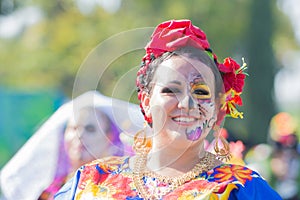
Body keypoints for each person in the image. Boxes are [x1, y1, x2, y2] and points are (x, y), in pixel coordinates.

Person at [55, 19, 282, 199]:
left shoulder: (241, 188)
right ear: (145, 101)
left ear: (216, 108)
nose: (187, 104)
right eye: (171, 90)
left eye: (201, 92)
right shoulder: (92, 180)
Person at [0, 91, 143, 200]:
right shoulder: (49, 192)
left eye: (90, 129)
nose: (79, 135)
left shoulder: (124, 188)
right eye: (74, 128)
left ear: (109, 138)